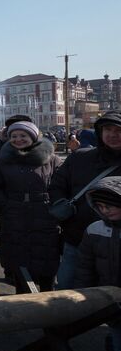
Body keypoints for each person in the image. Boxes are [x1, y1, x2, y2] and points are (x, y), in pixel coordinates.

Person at [49, 110, 121, 289]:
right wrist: (63, 208)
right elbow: (57, 185)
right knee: (69, 289)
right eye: (108, 130)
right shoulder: (80, 157)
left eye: (119, 130)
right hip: (76, 237)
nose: (112, 135)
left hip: (116, 241)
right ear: (100, 132)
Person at [0, 121, 62, 291]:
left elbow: (61, 184)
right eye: (14, 136)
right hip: (14, 215)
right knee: (19, 261)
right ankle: (22, 301)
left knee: (47, 260)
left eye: (23, 135)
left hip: (45, 215)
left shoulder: (51, 159)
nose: (18, 139)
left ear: (34, 136)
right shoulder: (4, 160)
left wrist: (53, 206)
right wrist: (5, 205)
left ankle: (49, 301)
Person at [74, 176, 121, 351]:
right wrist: (84, 293)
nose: (105, 211)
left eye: (110, 205)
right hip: (110, 298)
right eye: (100, 206)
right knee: (118, 337)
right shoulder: (94, 229)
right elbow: (85, 265)